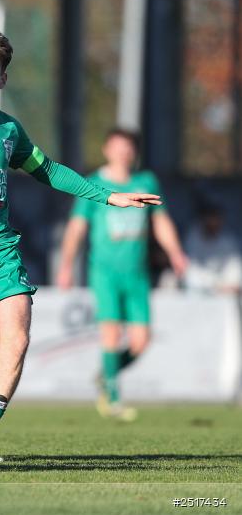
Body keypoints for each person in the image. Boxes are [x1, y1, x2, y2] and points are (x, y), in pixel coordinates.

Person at [0, 30, 161, 462]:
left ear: (2, 80)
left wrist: (108, 195)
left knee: (16, 340)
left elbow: (49, 170)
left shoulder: (7, 129)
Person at [57, 129, 187, 421]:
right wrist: (65, 266)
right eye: (117, 147)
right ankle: (112, 398)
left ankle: (107, 374)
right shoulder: (95, 184)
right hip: (105, 271)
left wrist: (176, 253)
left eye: (128, 148)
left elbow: (161, 221)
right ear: (106, 150)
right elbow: (77, 227)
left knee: (141, 341)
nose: (122, 153)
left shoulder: (145, 182)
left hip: (137, 273)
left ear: (134, 152)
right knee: (111, 332)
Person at [182, 203, 241, 294]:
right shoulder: (193, 238)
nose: (214, 222)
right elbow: (190, 270)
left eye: (217, 219)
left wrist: (228, 284)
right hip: (199, 291)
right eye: (211, 218)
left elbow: (235, 266)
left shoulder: (228, 240)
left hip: (224, 291)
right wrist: (215, 284)